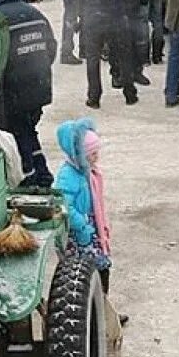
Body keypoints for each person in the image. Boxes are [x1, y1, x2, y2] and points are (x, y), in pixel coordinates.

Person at [0, 0, 56, 186]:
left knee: (18, 130)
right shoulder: (36, 13)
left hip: (14, 88)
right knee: (28, 128)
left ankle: (31, 174)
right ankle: (41, 169)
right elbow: (51, 48)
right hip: (40, 85)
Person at [67, 0, 142, 108]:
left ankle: (94, 96)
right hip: (116, 15)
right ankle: (129, 92)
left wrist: (73, 17)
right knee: (124, 55)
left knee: (92, 58)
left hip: (91, 17)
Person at [54, 118, 112, 289]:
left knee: (102, 267)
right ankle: (95, 307)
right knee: (88, 272)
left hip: (90, 227)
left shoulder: (87, 172)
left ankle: (102, 305)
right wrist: (82, 225)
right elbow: (65, 205)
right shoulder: (68, 175)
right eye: (92, 154)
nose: (97, 157)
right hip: (79, 233)